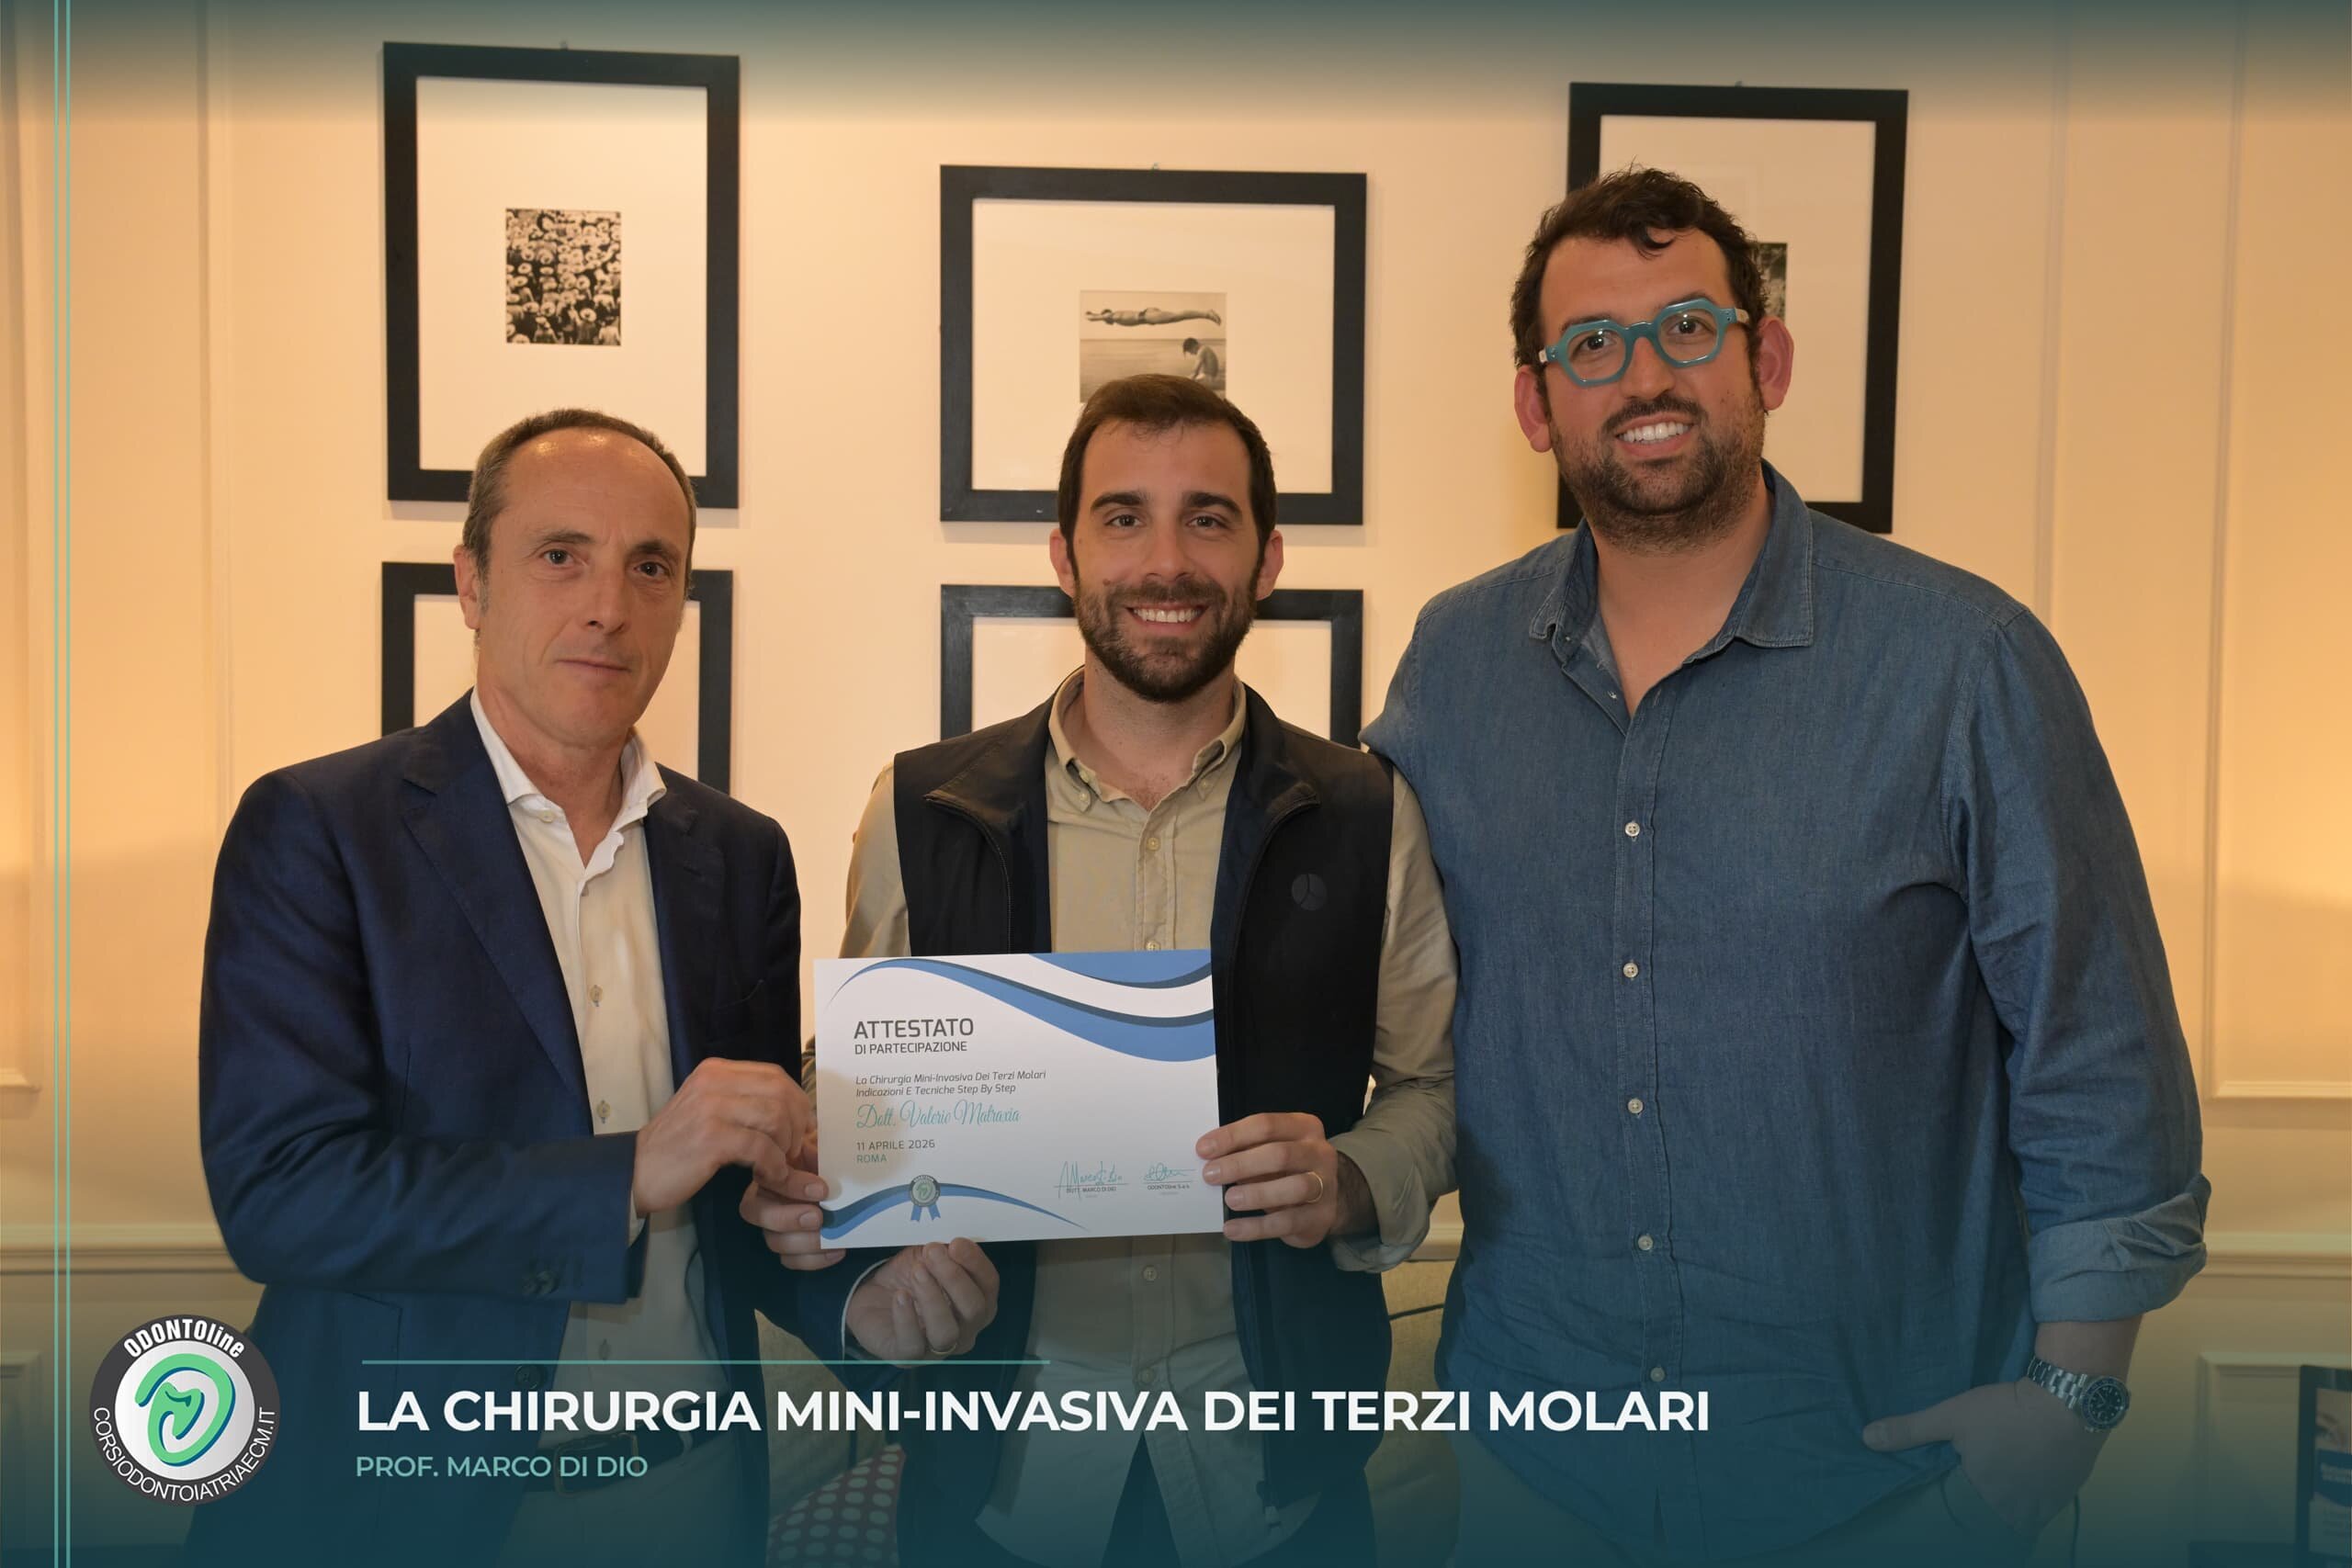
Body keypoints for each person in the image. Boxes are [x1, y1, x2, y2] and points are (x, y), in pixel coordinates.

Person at [1362, 167, 2208, 1565]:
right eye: (1593, 342)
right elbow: (1368, 960)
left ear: (1769, 362)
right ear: (1535, 403)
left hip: (1882, 1481)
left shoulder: (1966, 663)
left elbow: (2098, 1051)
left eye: (1689, 326)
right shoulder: (1454, 664)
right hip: (1537, 1467)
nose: (1646, 374)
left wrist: (2072, 1406)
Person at [192, 409, 996, 1568]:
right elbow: (280, 1197)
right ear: (471, 582)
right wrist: (625, 1173)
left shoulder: (743, 856)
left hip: (690, 1495)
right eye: (561, 555)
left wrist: (857, 1308)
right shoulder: (318, 829)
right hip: (406, 1506)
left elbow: (742, 1202)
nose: (609, 605)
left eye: (650, 567)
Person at [786, 373, 1457, 1568]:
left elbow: (1435, 1088)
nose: (1166, 561)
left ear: (1267, 558)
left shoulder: (1366, 811)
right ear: (1064, 553)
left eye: (1209, 517)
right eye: (1122, 516)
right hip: (1001, 1483)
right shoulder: (920, 811)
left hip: (1275, 1483)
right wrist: (847, 1197)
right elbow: (857, 1095)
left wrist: (1352, 1179)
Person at [1085, 305, 1224, 327]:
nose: (1106, 322)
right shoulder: (1116, 316)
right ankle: (1206, 314)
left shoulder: (1113, 315)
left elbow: (1093, 318)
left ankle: (1206, 313)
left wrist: (1090, 315)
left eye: (1105, 319)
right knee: (1176, 317)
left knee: (1177, 316)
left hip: (1147, 316)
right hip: (1147, 315)